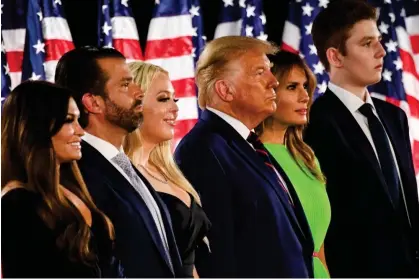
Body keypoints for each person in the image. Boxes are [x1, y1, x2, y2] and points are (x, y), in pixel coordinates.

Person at [174, 36, 314, 278]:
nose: (273, 81)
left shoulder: (248, 144)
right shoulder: (202, 151)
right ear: (225, 90)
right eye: (260, 72)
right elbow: (217, 258)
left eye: (269, 71)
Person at [305, 0, 419, 277]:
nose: (381, 51)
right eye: (367, 43)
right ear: (335, 56)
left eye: (379, 41)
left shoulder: (395, 117)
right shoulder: (313, 123)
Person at [55, 46, 183, 277]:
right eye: (125, 85)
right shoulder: (77, 174)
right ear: (93, 103)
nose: (139, 92)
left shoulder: (123, 163)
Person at [1, 80, 123, 278]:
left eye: (77, 119)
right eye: (68, 120)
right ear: (37, 127)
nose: (80, 131)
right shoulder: (16, 204)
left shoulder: (74, 188)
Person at [123, 61, 211, 278]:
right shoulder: (120, 177)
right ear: (134, 104)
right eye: (163, 99)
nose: (175, 108)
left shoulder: (170, 171)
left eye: (175, 99)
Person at [255, 51, 330, 278]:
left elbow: (319, 245)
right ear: (268, 91)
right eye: (291, 87)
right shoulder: (251, 157)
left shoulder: (308, 157)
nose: (304, 96)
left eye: (305, 86)